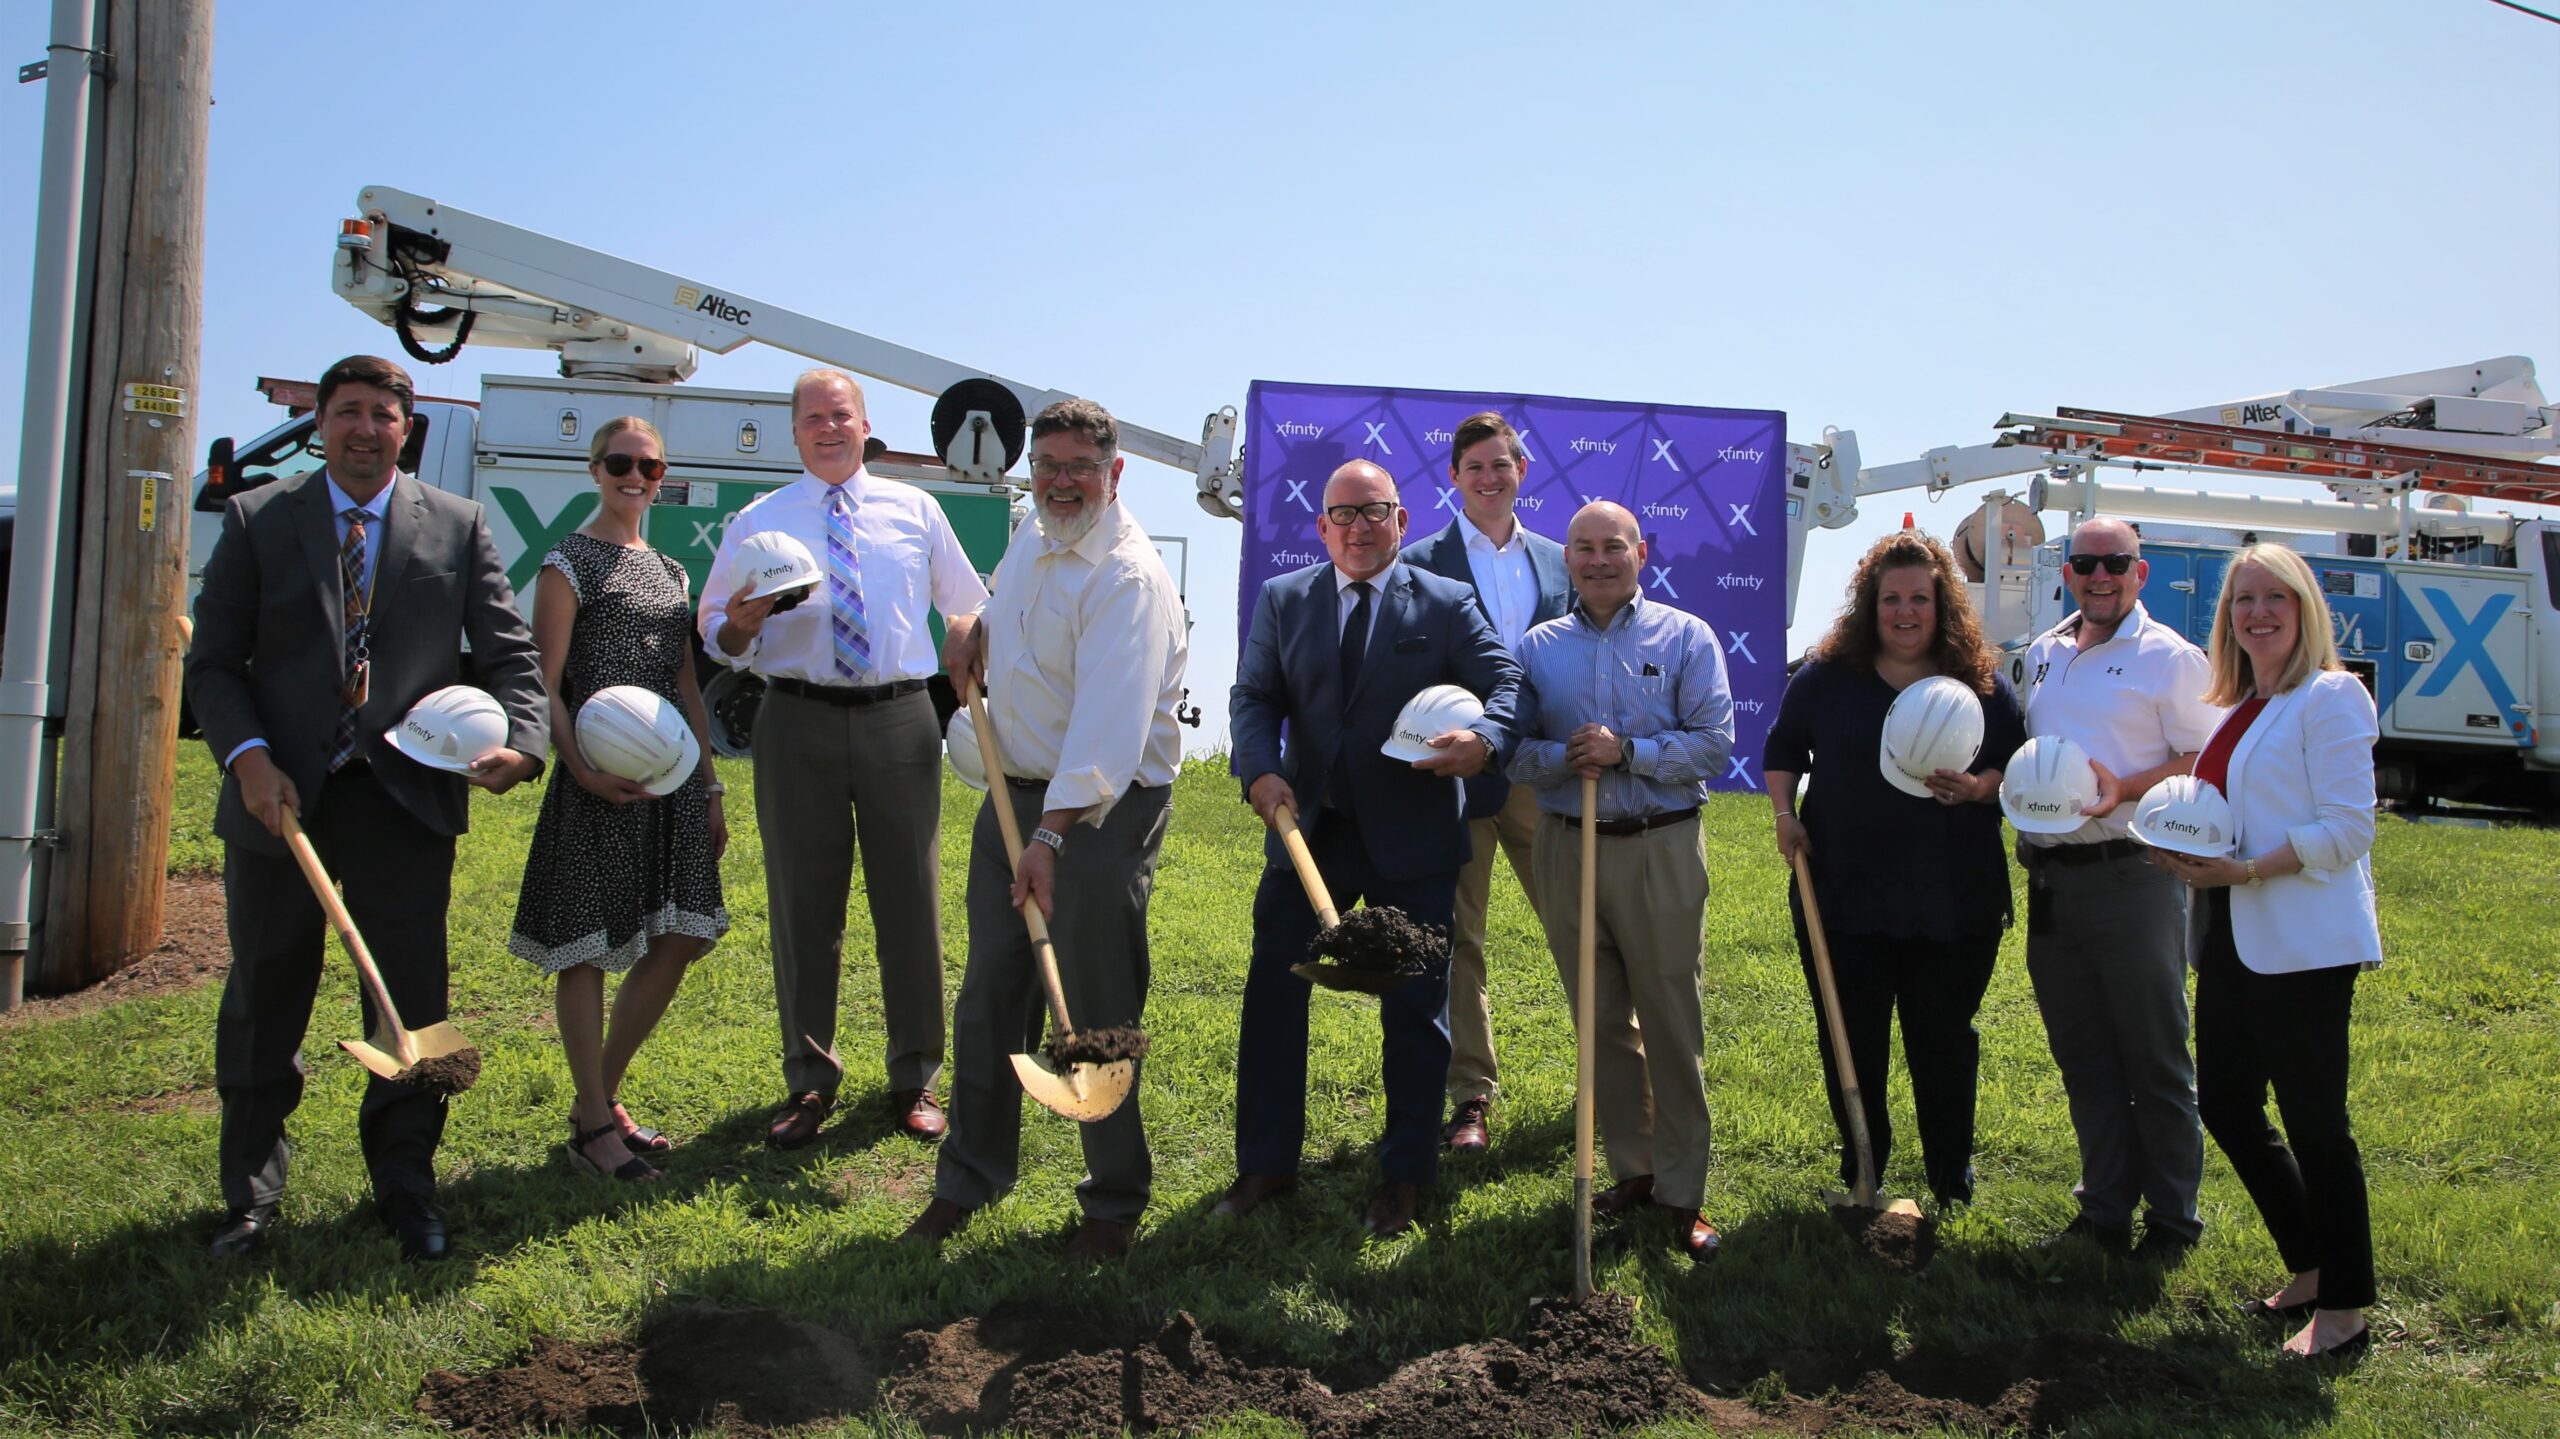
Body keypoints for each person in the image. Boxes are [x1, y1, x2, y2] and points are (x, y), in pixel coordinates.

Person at [186, 354, 546, 1261]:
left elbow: (509, 657)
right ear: (320, 425)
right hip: (283, 806)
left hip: (405, 801)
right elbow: (214, 665)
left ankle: (405, 1182)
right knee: (267, 997)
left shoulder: (458, 527)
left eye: (381, 414)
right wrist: (248, 759)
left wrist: (525, 744)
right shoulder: (261, 519)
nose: (362, 429)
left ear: (405, 427)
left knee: (409, 1001)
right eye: (345, 412)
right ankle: (251, 1196)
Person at [901, 399, 1187, 1261]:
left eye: (1080, 468)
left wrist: (1050, 838)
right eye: (1048, 465)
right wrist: (970, 630)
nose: (1062, 482)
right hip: (1011, 791)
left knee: (1093, 1001)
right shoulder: (1034, 527)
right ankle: (971, 1177)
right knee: (990, 988)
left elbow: (1108, 735)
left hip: (1099, 811)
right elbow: (1005, 611)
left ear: (1115, 474)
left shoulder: (1128, 579)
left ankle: (1113, 1201)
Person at [1225, 459, 1521, 1238]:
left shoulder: (1447, 601)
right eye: (1343, 514)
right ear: (1321, 526)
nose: (1359, 528)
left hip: (1415, 838)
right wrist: (1258, 768)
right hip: (1311, 834)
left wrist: (1485, 740)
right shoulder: (1284, 599)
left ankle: (1403, 1177)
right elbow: (1254, 695)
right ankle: (1265, 1164)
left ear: (1400, 519)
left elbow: (1507, 684)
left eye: (1375, 512)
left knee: (1418, 1012)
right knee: (1273, 999)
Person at [699, 369, 990, 1148]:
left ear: (866, 426)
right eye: (812, 418)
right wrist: (740, 624)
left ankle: (916, 1077)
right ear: (794, 432)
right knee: (803, 906)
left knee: (911, 903)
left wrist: (964, 627)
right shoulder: (760, 521)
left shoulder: (915, 509)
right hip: (795, 722)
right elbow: (717, 633)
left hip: (900, 718)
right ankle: (809, 1079)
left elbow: (965, 598)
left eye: (841, 415)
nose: (828, 428)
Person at [2155, 543, 2381, 1362]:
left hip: (2304, 945)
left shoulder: (2331, 696)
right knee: (2228, 1105)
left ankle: (2347, 1310)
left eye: (2274, 598)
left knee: (2319, 1125)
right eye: (2243, 600)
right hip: (2229, 936)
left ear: (2305, 607)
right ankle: (2314, 1265)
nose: (2257, 613)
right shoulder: (2242, 703)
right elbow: (2218, 813)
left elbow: (2351, 828)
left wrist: (2245, 868)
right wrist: (2175, 845)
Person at [1764, 530, 2023, 1212]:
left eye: (1920, 598)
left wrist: (1979, 787)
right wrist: (1784, 814)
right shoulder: (1825, 679)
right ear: (1868, 605)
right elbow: (1783, 750)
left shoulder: (1981, 685)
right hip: (1844, 888)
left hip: (1951, 891)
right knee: (1852, 1035)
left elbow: (2013, 764)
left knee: (1942, 1036)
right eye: (1891, 599)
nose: (1905, 612)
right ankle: (1864, 1168)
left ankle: (1950, 1177)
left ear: (1944, 605)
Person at [1507, 502, 1733, 1260]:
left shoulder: (1686, 635)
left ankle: (1682, 1190)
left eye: (1613, 547)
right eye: (1583, 548)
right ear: (1564, 558)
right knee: (1599, 1020)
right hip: (1569, 845)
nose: (1598, 560)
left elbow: (1714, 744)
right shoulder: (1538, 648)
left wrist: (1629, 751)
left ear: (1642, 551)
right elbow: (1515, 750)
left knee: (1671, 1015)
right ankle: (1632, 1170)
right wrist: (1563, 759)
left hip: (1657, 845)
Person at [508, 417, 729, 1183]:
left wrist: (710, 784)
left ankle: (595, 1099)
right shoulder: (568, 562)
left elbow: (688, 685)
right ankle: (597, 1122)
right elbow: (546, 681)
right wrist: (581, 768)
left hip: (669, 782)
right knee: (590, 948)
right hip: (596, 781)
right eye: (621, 462)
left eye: (651, 465)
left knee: (682, 936)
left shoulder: (670, 569)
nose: (637, 476)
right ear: (595, 468)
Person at [2018, 518, 2219, 1258]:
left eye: (2116, 563)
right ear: (2068, 572)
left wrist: (2123, 787)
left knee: (2154, 1054)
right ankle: (2104, 1210)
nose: (2100, 576)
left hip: (2133, 875)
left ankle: (2173, 1222)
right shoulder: (2043, 653)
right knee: (2085, 1055)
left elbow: (2204, 758)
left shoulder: (2171, 659)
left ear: (2142, 573)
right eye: (2085, 563)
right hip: (2051, 879)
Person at [1404, 411, 1571, 1155]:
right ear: (1454, 477)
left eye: (1500, 465)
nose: (1489, 478)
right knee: (1458, 937)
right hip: (1456, 776)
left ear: (1521, 471)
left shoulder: (1561, 561)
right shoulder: (1419, 561)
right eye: (1474, 467)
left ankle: (1616, 1078)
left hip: (1540, 770)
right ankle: (1471, 1094)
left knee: (1578, 924)